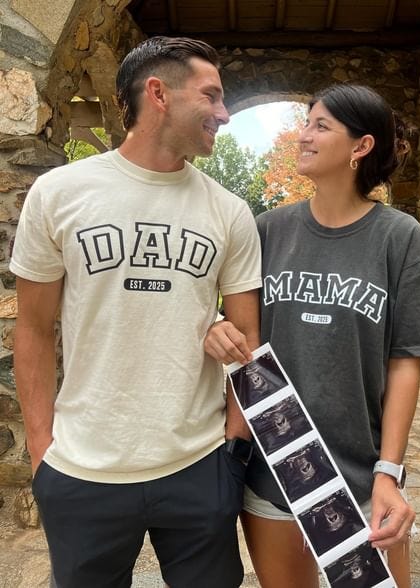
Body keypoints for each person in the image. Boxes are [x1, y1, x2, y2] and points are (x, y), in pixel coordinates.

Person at [11, 36, 262, 588]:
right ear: (159, 94)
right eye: (212, 95)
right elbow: (33, 328)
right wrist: (41, 450)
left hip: (199, 464)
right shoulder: (59, 193)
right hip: (82, 469)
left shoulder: (229, 211)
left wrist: (235, 448)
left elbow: (248, 338)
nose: (224, 113)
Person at [204, 83, 420, 588]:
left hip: (363, 478)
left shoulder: (401, 238)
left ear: (361, 146)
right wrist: (217, 329)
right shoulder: (267, 230)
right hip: (274, 469)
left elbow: (405, 364)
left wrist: (389, 472)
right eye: (306, 123)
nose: (303, 135)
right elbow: (237, 326)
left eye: (320, 126)